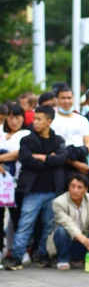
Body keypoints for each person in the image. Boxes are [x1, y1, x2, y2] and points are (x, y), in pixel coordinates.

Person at [4, 105, 67, 270]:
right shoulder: (27, 140)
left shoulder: (58, 140)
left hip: (53, 190)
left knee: (48, 226)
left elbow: (61, 159)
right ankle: (17, 256)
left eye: (39, 119)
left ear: (49, 121)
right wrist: (49, 159)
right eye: (34, 119)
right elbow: (27, 160)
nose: (35, 122)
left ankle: (43, 255)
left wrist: (41, 158)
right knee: (25, 224)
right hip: (32, 190)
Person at [50, 174, 89, 270]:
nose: (75, 190)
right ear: (68, 187)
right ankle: (63, 260)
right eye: (72, 186)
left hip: (85, 241)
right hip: (68, 241)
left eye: (79, 187)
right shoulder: (59, 202)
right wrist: (85, 241)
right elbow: (67, 223)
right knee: (61, 231)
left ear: (86, 189)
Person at [0, 104, 31, 261]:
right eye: (11, 117)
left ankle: (20, 249)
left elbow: (19, 153)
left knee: (17, 218)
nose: (14, 121)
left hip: (16, 183)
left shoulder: (25, 134)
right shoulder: (1, 133)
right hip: (0, 185)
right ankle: (2, 249)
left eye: (18, 117)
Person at [51, 84, 89, 177]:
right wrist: (76, 164)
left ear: (73, 99)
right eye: (63, 98)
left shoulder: (82, 120)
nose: (66, 101)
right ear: (56, 100)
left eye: (69, 98)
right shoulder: (51, 120)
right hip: (60, 165)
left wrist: (82, 151)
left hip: (81, 161)